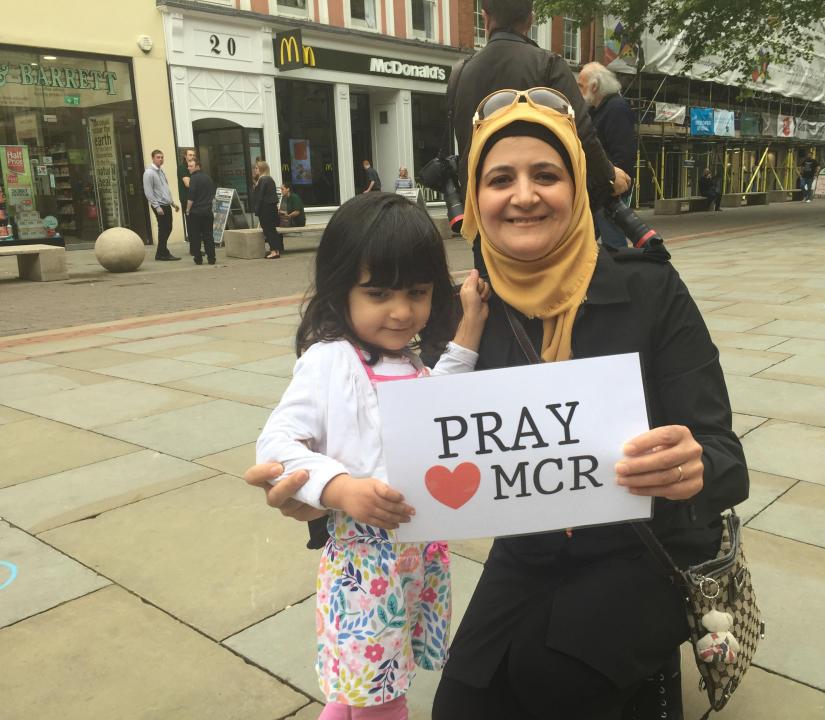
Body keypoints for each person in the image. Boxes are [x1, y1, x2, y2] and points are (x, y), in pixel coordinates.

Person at [246, 90, 748, 720]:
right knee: (460, 707)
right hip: (529, 550)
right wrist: (319, 492)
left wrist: (692, 467)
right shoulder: (467, 309)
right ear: (476, 201)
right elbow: (404, 438)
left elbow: (727, 457)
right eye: (500, 178)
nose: (524, 195)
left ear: (578, 185)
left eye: (547, 174)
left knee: (558, 680)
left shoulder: (650, 289)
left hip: (640, 547)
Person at [255, 191, 490, 720]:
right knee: (381, 695)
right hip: (364, 568)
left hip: (414, 559)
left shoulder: (404, 361)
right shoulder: (329, 359)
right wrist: (339, 488)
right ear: (342, 290)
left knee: (362, 686)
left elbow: (438, 400)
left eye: (418, 292)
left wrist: (469, 325)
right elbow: (277, 443)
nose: (402, 311)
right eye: (379, 293)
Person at [448, 0, 629, 205]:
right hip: (537, 202)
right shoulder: (549, 65)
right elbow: (582, 133)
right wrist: (609, 175)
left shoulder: (460, 73)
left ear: (485, 18)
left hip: (482, 203)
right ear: (530, 20)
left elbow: (462, 141)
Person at [577, 61, 636, 248]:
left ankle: (620, 276)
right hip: (595, 190)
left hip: (609, 190)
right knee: (582, 243)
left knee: (613, 244)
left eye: (581, 85)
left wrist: (613, 187)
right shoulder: (593, 110)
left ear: (594, 86)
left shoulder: (616, 108)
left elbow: (623, 153)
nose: (578, 90)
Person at [142, 149, 181, 261]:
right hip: (159, 205)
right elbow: (148, 192)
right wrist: (157, 206)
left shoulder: (161, 171)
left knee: (168, 228)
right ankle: (162, 252)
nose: (160, 159)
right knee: (164, 228)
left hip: (166, 203)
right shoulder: (149, 173)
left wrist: (172, 203)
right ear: (153, 158)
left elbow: (165, 189)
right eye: (158, 157)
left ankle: (161, 251)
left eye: (162, 157)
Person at [185, 157, 216, 265]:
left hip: (196, 212)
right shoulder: (208, 178)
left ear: (197, 166)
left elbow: (191, 195)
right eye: (188, 166)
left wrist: (188, 210)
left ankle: (198, 258)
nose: (188, 168)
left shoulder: (193, 178)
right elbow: (212, 194)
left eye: (191, 166)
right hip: (207, 212)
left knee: (195, 236)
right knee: (208, 235)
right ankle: (212, 258)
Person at [252, 160, 282, 259]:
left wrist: (257, 209)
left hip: (265, 209)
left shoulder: (263, 180)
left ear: (261, 169)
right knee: (272, 230)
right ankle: (276, 250)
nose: (255, 170)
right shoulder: (270, 179)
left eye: (256, 168)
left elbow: (260, 197)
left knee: (268, 230)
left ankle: (273, 251)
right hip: (271, 207)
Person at [177, 148, 196, 242]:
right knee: (191, 223)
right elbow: (187, 184)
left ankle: (196, 246)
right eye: (190, 155)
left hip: (194, 198)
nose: (192, 157)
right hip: (187, 199)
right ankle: (193, 248)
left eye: (193, 155)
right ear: (185, 156)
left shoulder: (194, 167)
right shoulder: (182, 167)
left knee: (195, 223)